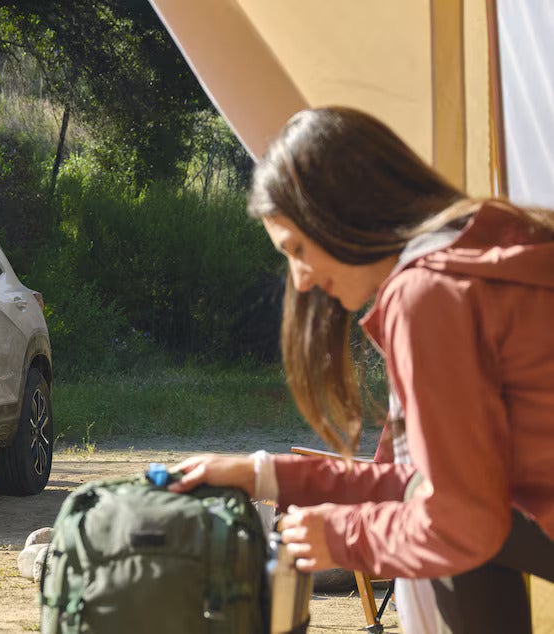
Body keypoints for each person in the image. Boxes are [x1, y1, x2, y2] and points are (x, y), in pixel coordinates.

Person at [169, 106, 554, 633]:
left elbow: (460, 519)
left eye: (298, 249)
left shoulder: (428, 294)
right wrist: (265, 474)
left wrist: (342, 536)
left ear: (341, 210)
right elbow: (443, 486)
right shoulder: (491, 241)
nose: (300, 280)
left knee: (442, 528)